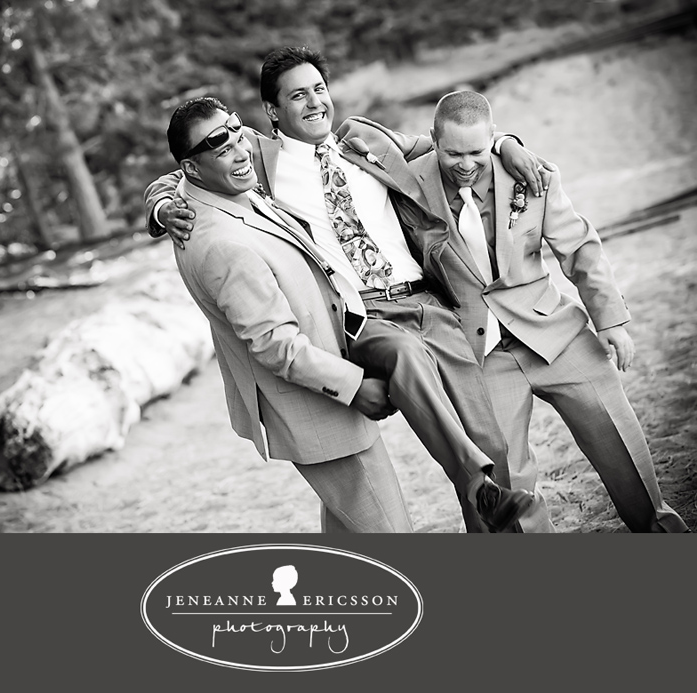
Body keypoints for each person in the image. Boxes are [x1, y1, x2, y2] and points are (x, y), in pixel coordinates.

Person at [146, 47, 546, 532]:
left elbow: (451, 144)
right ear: (272, 111)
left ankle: (490, 506)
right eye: (298, 95)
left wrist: (506, 143)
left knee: (489, 440)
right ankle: (476, 483)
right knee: (405, 360)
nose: (315, 102)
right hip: (361, 315)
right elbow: (180, 172)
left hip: (425, 300)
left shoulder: (364, 138)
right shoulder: (255, 157)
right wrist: (161, 208)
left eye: (319, 89)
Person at [338, 90, 688, 532]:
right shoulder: (410, 178)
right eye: (452, 153)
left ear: (491, 138)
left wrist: (612, 320)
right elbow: (354, 131)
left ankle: (661, 535)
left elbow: (579, 248)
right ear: (433, 139)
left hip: (555, 333)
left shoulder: (531, 175)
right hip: (478, 356)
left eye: (477, 151)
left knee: (621, 443)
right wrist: (501, 141)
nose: (466, 164)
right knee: (506, 480)